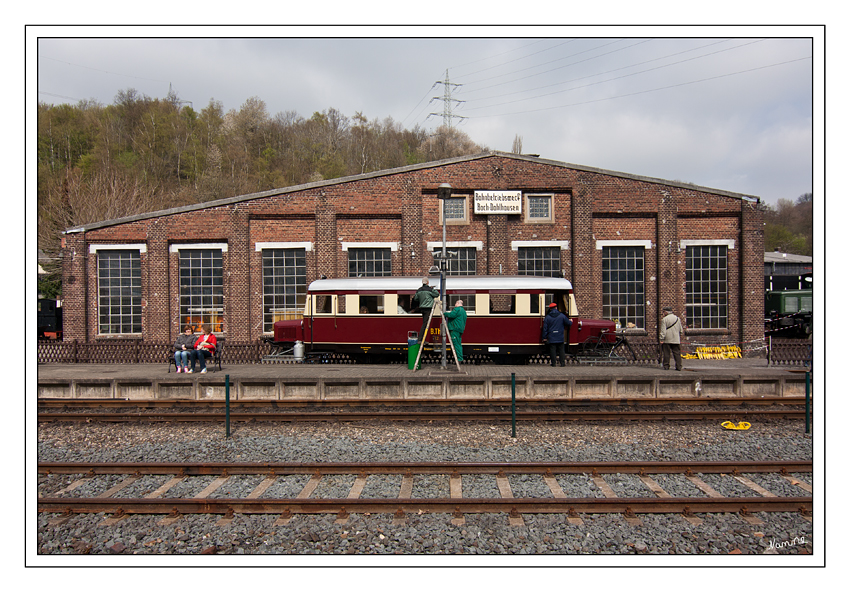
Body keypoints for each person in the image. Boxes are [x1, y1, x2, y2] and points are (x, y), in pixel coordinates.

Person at [541, 302, 572, 367]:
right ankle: (562, 363)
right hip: (560, 336)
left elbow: (545, 328)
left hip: (551, 336)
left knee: (552, 350)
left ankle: (554, 363)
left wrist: (544, 337)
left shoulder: (548, 317)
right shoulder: (561, 316)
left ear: (550, 309)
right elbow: (568, 323)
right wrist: (571, 321)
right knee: (561, 350)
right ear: (556, 308)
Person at [412, 276, 439, 343]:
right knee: (425, 324)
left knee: (425, 323)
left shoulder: (419, 290)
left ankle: (421, 339)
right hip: (428, 308)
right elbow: (437, 294)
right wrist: (432, 288)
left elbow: (416, 299)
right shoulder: (429, 290)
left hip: (422, 308)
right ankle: (421, 339)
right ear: (427, 282)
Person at [659, 306, 683, 371]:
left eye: (663, 312)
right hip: (676, 339)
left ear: (666, 312)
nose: (663, 313)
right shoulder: (678, 319)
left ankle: (666, 366)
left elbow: (663, 331)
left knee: (666, 353)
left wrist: (661, 338)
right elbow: (681, 330)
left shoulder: (664, 319)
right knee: (677, 353)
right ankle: (679, 366)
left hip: (667, 339)